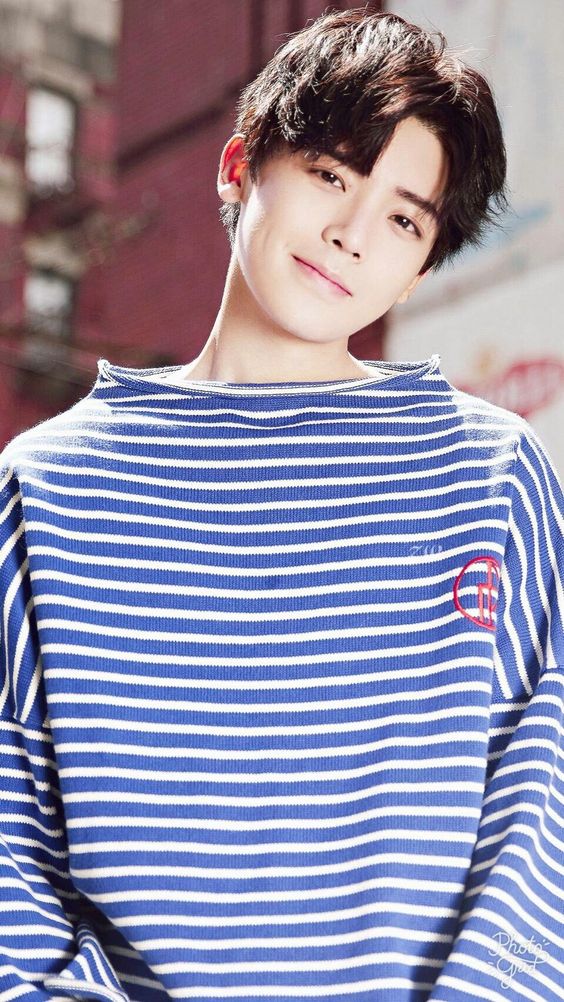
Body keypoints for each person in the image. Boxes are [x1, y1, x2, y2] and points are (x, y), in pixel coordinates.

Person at [0, 8, 562, 1002]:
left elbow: (541, 807)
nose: (352, 235)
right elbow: (14, 854)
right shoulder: (46, 487)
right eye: (331, 175)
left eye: (404, 219)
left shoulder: (492, 476)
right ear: (239, 166)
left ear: (422, 266)